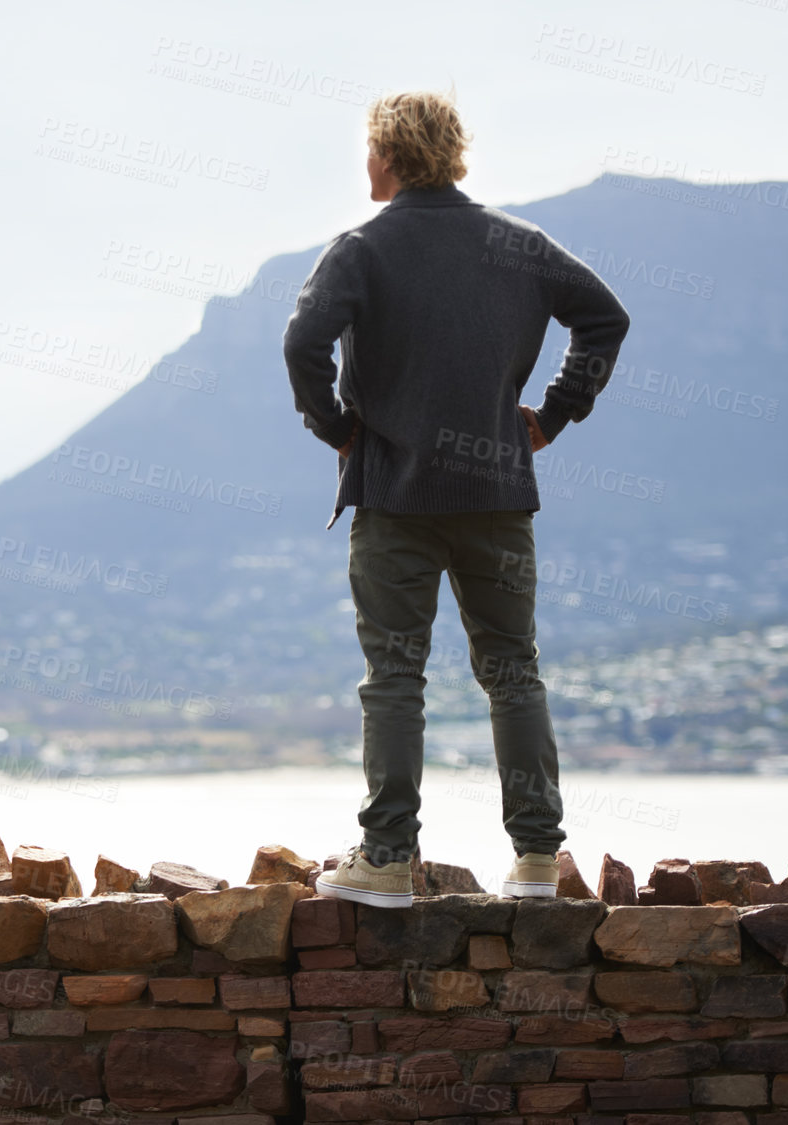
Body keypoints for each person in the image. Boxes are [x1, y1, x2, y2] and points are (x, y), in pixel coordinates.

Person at [283, 89, 630, 907]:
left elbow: (303, 342)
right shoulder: (521, 246)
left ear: (393, 154)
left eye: (370, 149)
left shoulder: (361, 249)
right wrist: (552, 415)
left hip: (395, 496)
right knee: (513, 672)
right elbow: (604, 319)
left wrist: (336, 428)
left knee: (396, 678)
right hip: (499, 493)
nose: (365, 163)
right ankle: (539, 861)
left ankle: (388, 859)